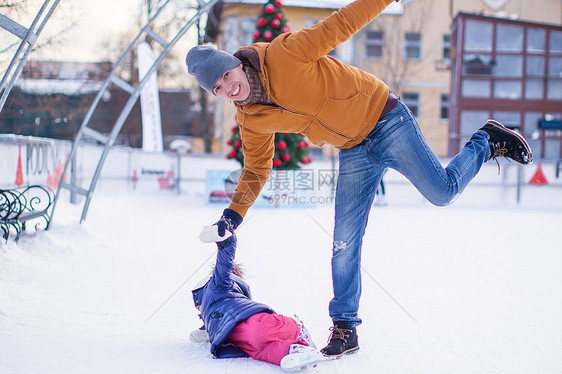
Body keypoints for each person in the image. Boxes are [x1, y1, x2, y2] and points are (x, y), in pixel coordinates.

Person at [185, 0, 533, 358]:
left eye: (227, 76)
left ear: (236, 65)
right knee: (344, 243)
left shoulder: (284, 53)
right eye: (218, 89)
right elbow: (257, 167)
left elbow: (341, 23)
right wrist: (233, 215)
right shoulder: (251, 119)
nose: (228, 88)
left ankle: (485, 141)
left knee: (442, 192)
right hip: (353, 148)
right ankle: (345, 327)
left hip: (386, 120)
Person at [191, 234, 326, 372]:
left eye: (197, 301)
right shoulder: (214, 314)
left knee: (260, 331)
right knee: (261, 351)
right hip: (248, 341)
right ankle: (295, 351)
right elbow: (215, 324)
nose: (197, 308)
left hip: (258, 323)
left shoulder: (218, 287)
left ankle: (296, 327)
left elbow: (224, 266)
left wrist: (226, 243)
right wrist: (205, 333)